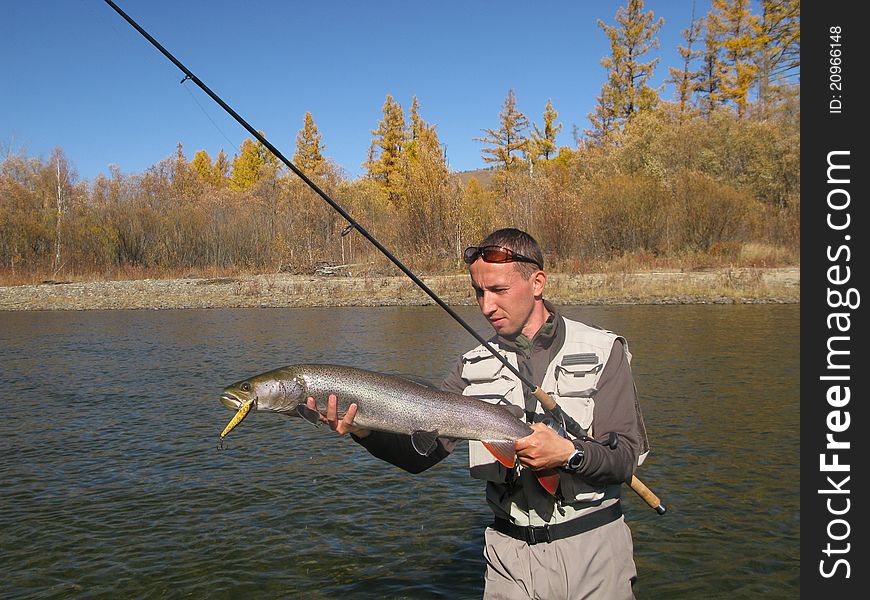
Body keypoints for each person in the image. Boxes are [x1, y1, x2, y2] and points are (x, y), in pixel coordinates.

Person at [307, 228, 650, 599]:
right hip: (508, 559)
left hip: (593, 550)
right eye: (478, 292)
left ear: (537, 283)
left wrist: (570, 453)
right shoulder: (470, 366)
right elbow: (421, 456)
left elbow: (625, 458)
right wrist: (364, 429)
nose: (486, 306)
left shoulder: (603, 349)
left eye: (498, 291)